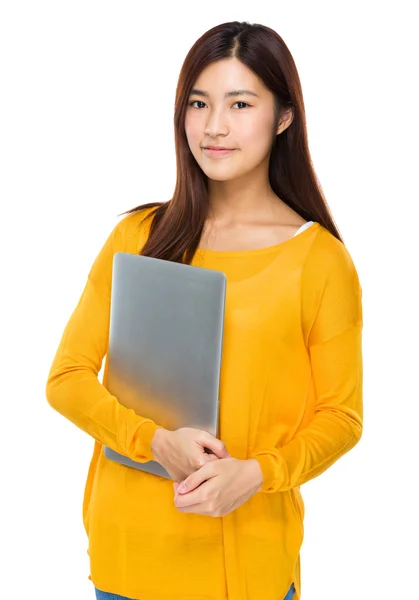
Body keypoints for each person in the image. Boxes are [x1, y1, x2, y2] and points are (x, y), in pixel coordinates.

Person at [46, 20, 363, 600]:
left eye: (240, 103)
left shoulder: (319, 261)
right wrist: (151, 440)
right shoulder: (138, 235)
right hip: (127, 558)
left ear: (284, 117)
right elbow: (66, 379)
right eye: (199, 103)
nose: (214, 126)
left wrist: (258, 473)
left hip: (245, 567)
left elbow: (342, 418)